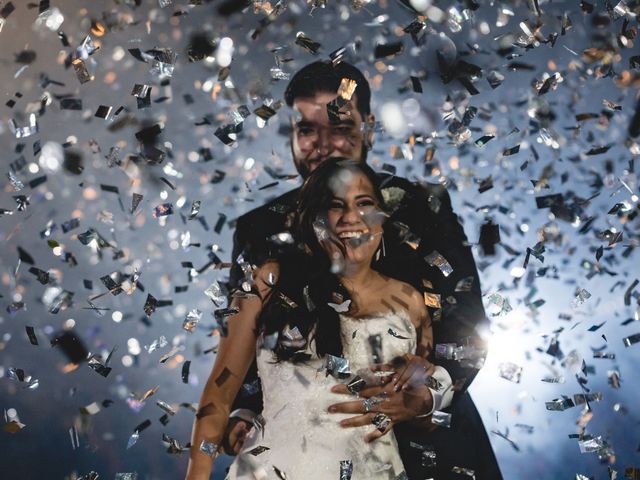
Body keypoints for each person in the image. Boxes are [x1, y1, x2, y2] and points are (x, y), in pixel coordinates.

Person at [228, 60, 502, 479]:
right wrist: (243, 410)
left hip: (429, 450)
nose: (323, 144)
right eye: (307, 129)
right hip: (295, 454)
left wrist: (426, 394)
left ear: (368, 127)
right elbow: (243, 345)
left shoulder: (420, 207)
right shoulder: (259, 230)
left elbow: (465, 323)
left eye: (340, 127)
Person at [188, 159, 433, 479]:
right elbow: (218, 397)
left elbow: (424, 413)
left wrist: (422, 401)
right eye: (335, 206)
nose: (351, 218)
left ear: (382, 218)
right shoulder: (268, 281)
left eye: (364, 204)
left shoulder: (411, 302)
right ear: (314, 219)